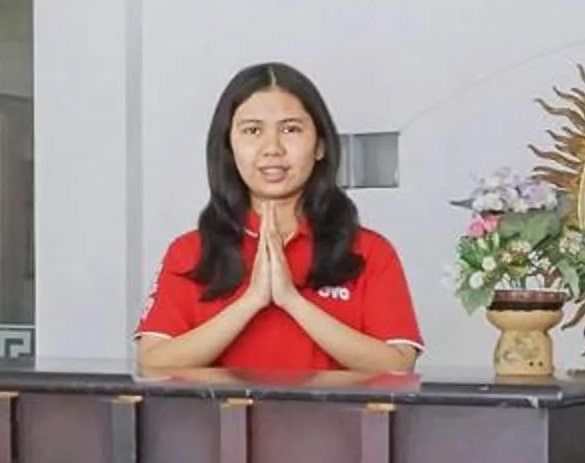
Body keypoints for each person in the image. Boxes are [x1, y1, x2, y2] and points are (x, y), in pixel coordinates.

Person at [136, 62, 423, 374]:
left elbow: (397, 365)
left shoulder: (370, 251)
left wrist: (291, 300)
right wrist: (251, 300)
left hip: (334, 424)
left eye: (290, 129)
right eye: (253, 131)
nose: (272, 148)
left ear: (320, 146)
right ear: (229, 148)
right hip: (221, 424)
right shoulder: (190, 252)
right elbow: (153, 363)